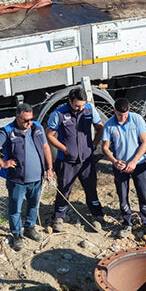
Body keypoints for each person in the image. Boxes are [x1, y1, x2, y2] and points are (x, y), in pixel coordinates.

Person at [0, 103, 53, 252]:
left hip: (37, 179)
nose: (29, 123)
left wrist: (49, 168)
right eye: (25, 120)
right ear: (17, 118)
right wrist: (3, 163)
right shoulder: (8, 132)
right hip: (17, 181)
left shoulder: (37, 128)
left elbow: (45, 147)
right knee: (15, 209)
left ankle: (30, 228)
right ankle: (17, 234)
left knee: (33, 205)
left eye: (31, 119)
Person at [46, 87, 105, 233]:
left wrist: (94, 144)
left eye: (82, 105)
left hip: (86, 160)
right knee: (64, 188)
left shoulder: (89, 110)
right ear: (70, 101)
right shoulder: (58, 114)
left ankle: (97, 215)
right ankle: (59, 216)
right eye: (77, 105)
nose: (80, 108)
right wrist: (65, 149)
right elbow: (49, 135)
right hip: (66, 161)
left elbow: (100, 128)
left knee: (91, 188)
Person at [101, 98, 146, 238]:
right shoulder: (109, 125)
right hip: (120, 166)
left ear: (129, 110)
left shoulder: (137, 119)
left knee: (144, 194)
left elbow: (145, 142)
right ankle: (127, 223)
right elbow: (105, 147)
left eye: (125, 115)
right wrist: (114, 161)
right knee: (122, 196)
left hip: (138, 164)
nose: (122, 118)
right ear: (114, 111)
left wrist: (134, 161)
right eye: (119, 115)